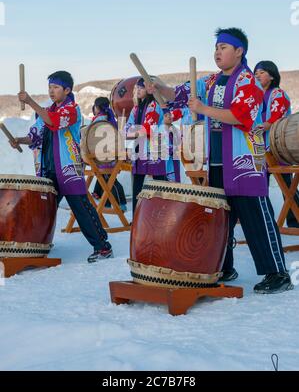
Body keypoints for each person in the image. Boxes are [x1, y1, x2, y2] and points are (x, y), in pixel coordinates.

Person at [147, 28, 293, 294]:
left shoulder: (248, 82)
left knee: (255, 217)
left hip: (243, 161)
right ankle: (224, 266)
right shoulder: (213, 80)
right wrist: (159, 88)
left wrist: (202, 109)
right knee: (219, 217)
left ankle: (277, 273)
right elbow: (181, 94)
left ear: (240, 51)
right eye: (216, 47)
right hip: (217, 160)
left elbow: (240, 117)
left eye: (224, 47)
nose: (217, 52)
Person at [11, 71, 113, 263]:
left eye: (56, 87)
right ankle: (37, 244)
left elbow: (54, 122)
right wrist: (20, 140)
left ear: (67, 90)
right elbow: (36, 136)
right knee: (44, 209)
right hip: (48, 170)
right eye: (50, 87)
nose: (51, 91)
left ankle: (103, 248)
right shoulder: (46, 111)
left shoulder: (71, 110)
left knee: (82, 209)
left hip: (68, 170)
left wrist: (31, 102)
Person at [254, 60, 299, 228]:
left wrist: (261, 127)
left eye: (262, 72)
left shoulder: (277, 94)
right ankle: (266, 221)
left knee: (286, 186)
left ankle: (294, 221)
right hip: (260, 147)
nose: (257, 75)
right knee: (261, 185)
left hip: (277, 146)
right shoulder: (256, 97)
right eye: (256, 73)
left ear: (272, 76)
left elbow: (276, 117)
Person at [126, 77, 169, 214]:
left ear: (150, 90)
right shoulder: (136, 108)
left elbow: (148, 128)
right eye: (137, 88)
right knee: (137, 187)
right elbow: (127, 127)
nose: (138, 90)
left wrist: (131, 132)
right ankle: (136, 217)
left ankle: (160, 215)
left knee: (159, 185)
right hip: (139, 149)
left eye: (141, 87)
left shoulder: (155, 105)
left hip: (154, 149)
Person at [90, 96, 127, 212]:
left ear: (97, 107)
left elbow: (91, 136)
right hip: (110, 154)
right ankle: (105, 203)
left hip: (103, 155)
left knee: (109, 180)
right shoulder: (110, 118)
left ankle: (121, 204)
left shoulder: (99, 120)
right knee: (107, 179)